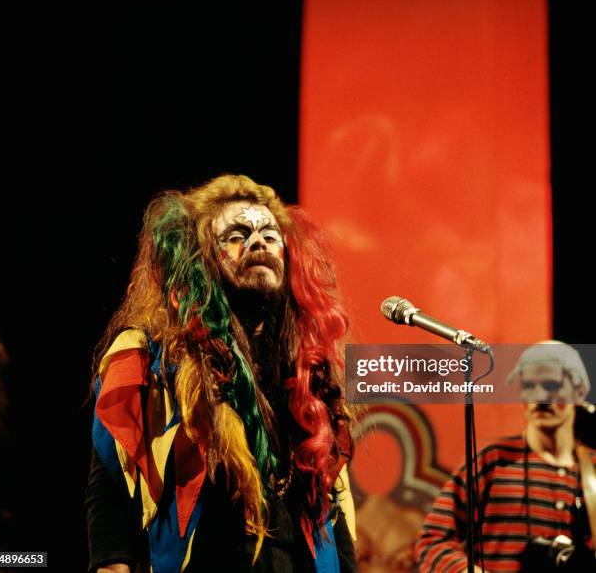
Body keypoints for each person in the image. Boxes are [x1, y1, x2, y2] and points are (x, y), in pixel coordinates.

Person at [85, 174, 357, 573]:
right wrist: (112, 564)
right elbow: (109, 479)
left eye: (270, 233)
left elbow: (330, 509)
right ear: (201, 258)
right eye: (236, 234)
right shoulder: (153, 356)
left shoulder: (307, 374)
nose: (258, 242)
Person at [415, 341, 596, 572]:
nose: (539, 397)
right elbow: (432, 541)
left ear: (579, 392)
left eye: (552, 385)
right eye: (529, 386)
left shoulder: (592, 468)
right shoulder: (492, 461)